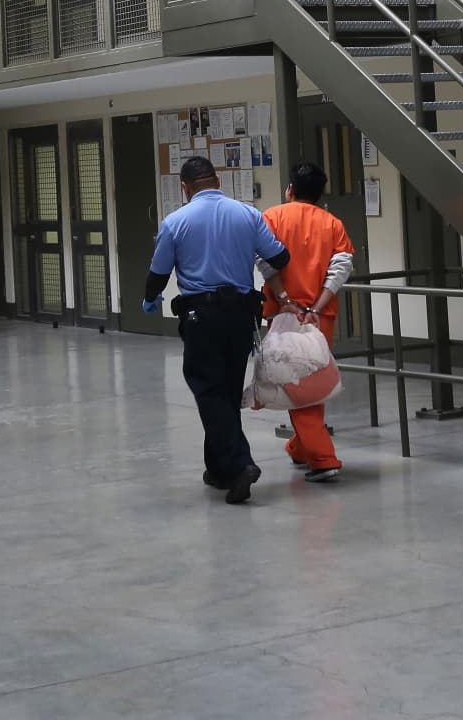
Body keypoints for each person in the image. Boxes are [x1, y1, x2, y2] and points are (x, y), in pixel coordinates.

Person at [143, 156, 290, 505]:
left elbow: (158, 273)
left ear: (185, 187)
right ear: (218, 181)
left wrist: (150, 298)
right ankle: (219, 469)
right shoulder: (248, 214)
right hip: (241, 315)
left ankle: (241, 464)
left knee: (210, 392)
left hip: (202, 317)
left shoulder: (175, 222)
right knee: (225, 391)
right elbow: (280, 257)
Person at [258, 162, 353, 482]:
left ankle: (323, 459)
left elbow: (266, 263)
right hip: (320, 316)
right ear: (320, 193)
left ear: (290, 190)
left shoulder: (272, 218)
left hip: (283, 314)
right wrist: (316, 307)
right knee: (312, 379)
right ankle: (299, 448)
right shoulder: (332, 223)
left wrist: (285, 299)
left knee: (297, 384)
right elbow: (340, 269)